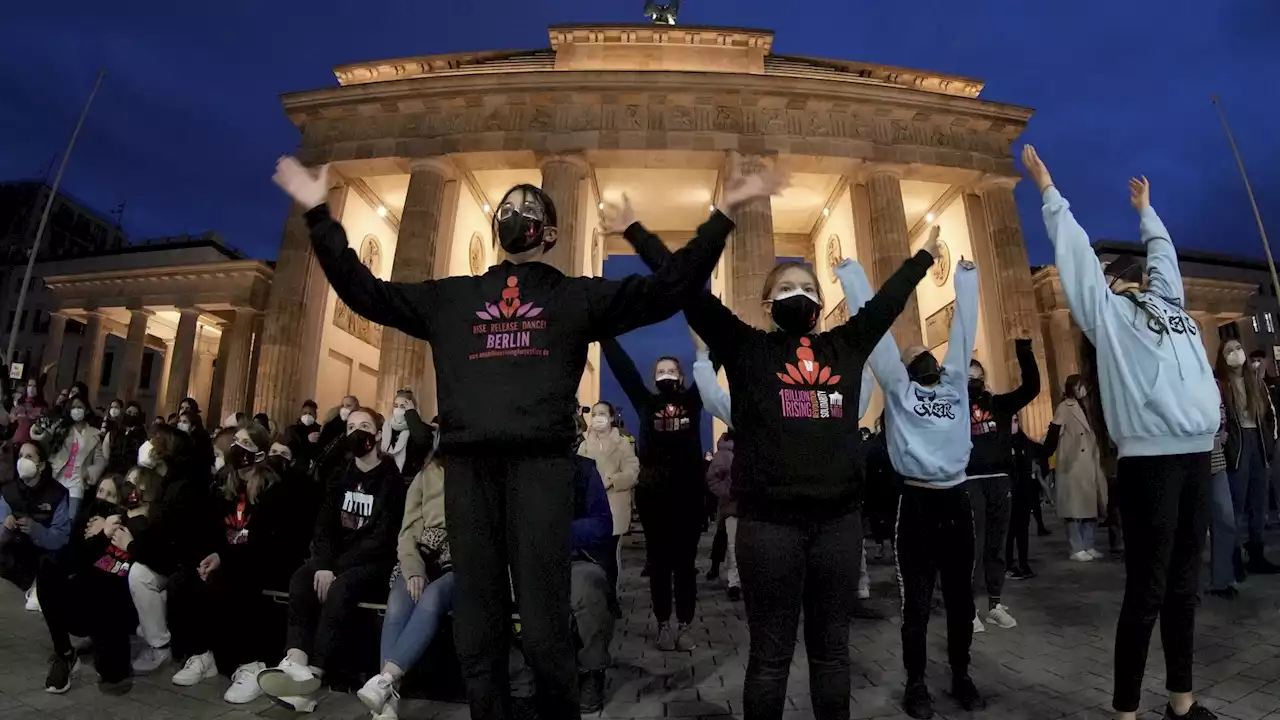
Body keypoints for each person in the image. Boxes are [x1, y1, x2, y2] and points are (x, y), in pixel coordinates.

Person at [273, 153, 779, 720]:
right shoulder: (452, 297)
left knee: (542, 631)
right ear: (498, 229)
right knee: (477, 628)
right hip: (469, 473)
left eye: (529, 208)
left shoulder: (574, 297)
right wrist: (319, 214)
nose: (517, 213)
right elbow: (366, 292)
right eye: (508, 208)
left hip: (541, 470)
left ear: (552, 232)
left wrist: (724, 215)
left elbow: (670, 286)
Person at [630, 192, 940, 719]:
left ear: (820, 305)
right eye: (786, 288)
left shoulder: (845, 345)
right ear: (767, 305)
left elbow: (888, 301)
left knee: (831, 653)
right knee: (770, 657)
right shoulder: (746, 347)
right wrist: (637, 232)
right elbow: (685, 287)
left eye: (807, 288)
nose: (799, 294)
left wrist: (925, 257)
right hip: (769, 526)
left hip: (837, 525)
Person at [1025, 146, 1220, 720]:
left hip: (1194, 456)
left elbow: (1164, 258)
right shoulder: (1108, 319)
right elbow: (1079, 259)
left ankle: (1181, 701)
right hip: (1151, 465)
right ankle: (1126, 710)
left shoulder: (1171, 305)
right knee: (1148, 592)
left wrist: (1147, 213)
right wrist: (1049, 192)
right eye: (1117, 277)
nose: (1129, 278)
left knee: (1186, 587)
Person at [835, 251, 982, 718]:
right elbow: (877, 334)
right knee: (915, 604)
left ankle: (961, 675)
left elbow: (963, 333)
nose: (919, 355)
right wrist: (851, 274)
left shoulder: (956, 383)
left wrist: (966, 278)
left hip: (957, 501)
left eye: (922, 352)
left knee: (961, 600)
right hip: (916, 504)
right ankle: (915, 684)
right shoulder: (899, 388)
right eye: (911, 354)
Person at [256, 408, 407, 713]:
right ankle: (295, 662)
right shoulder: (339, 475)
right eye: (351, 426)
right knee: (301, 578)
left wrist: (334, 570)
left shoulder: (391, 480)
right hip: (335, 560)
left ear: (377, 435)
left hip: (371, 563)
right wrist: (323, 564)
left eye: (364, 426)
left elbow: (381, 538)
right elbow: (323, 526)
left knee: (340, 589)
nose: (357, 432)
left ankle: (314, 676)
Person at [166, 422, 291, 705]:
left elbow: (268, 545)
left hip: (262, 562)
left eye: (246, 443)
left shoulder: (274, 491)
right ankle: (202, 653)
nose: (237, 448)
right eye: (235, 441)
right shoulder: (225, 487)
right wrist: (207, 556)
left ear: (260, 453)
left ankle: (250, 664)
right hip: (226, 558)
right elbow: (210, 532)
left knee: (229, 582)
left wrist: (223, 558)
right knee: (183, 580)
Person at [599, 339, 705, 651]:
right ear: (654, 378)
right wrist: (605, 336)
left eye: (672, 370)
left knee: (685, 564)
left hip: (688, 495)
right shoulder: (646, 403)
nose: (666, 374)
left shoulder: (693, 401)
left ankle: (685, 625)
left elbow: (714, 363)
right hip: (655, 496)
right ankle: (663, 624)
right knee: (659, 563)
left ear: (682, 377)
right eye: (661, 371)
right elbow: (625, 370)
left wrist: (712, 338)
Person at [509, 454, 616, 715]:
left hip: (573, 557)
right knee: (495, 593)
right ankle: (522, 683)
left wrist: (556, 532)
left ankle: (592, 670)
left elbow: (602, 523)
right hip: (522, 561)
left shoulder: (583, 469)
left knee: (588, 586)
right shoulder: (513, 469)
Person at [358, 439, 451, 720]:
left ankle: (385, 683)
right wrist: (413, 567)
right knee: (401, 598)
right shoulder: (426, 476)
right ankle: (388, 700)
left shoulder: (481, 473)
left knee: (433, 596)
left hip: (463, 561)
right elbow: (409, 530)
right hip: (423, 554)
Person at [38, 472, 150, 695]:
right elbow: (74, 564)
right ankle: (65, 655)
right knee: (47, 569)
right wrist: (98, 536)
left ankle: (102, 648)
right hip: (84, 603)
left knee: (114, 676)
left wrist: (112, 531)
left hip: (116, 611)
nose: (103, 498)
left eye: (110, 495)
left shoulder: (133, 527)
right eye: (100, 491)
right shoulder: (88, 522)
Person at [121, 424, 211, 675]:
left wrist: (130, 544)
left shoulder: (181, 488)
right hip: (169, 557)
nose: (148, 445)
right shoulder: (167, 482)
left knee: (140, 575)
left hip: (183, 562)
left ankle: (159, 646)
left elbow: (165, 545)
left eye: (154, 440)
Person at [964, 335, 1039, 632]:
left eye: (977, 376)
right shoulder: (953, 405)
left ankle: (995, 603)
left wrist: (1024, 352)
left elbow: (1031, 388)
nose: (973, 381)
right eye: (967, 377)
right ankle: (968, 608)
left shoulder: (999, 405)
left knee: (996, 545)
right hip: (969, 481)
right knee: (973, 546)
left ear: (984, 379)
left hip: (999, 480)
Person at [1216, 338, 1280, 574]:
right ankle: (1232, 556)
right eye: (1229, 350)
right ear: (1222, 357)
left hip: (1259, 444)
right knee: (1236, 504)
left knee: (1259, 502)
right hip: (1238, 446)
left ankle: (1257, 553)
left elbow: (1269, 414)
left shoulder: (1255, 383)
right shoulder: (1221, 384)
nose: (1236, 353)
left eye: (1238, 348)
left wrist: (1271, 444)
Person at [576, 400, 640, 616]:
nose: (597, 418)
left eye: (602, 414)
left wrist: (613, 479)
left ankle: (611, 599)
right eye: (594, 414)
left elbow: (633, 471)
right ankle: (595, 598)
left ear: (612, 418)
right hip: (591, 508)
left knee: (611, 556)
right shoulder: (584, 444)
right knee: (592, 555)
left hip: (614, 505)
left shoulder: (622, 443)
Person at [1043, 375, 1107, 562]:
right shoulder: (1065, 407)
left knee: (1090, 507)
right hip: (1073, 463)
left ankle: (1088, 544)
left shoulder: (1087, 407)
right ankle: (1076, 547)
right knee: (1075, 510)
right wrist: (1045, 455)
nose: (1083, 389)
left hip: (1088, 462)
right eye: (1080, 386)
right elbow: (1053, 432)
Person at [0, 441, 71, 591]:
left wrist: (36, 530)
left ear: (42, 465)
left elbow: (61, 538)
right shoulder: (8, 491)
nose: (23, 461)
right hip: (9, 562)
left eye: (29, 456)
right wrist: (5, 528)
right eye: (20, 456)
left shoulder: (57, 493)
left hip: (40, 565)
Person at [31, 394, 104, 519]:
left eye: (80, 407)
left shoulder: (95, 434)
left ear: (86, 410)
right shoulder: (61, 428)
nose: (76, 410)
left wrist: (90, 473)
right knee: (52, 516)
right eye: (73, 407)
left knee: (71, 517)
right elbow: (45, 440)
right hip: (58, 476)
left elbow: (100, 460)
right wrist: (38, 429)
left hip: (78, 481)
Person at [1206, 383, 1237, 598]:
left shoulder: (1213, 384)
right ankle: (1186, 587)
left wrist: (1222, 433)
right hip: (1190, 459)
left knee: (1226, 520)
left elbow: (1221, 414)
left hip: (1216, 461)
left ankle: (1222, 580)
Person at [382, 389, 433, 480]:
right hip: (386, 477)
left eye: (403, 406)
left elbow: (422, 442)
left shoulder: (419, 427)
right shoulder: (386, 426)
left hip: (410, 479)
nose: (398, 409)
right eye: (395, 406)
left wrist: (411, 414)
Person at [101, 401, 149, 475]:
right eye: (129, 412)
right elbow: (105, 457)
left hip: (131, 476)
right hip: (111, 474)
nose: (132, 416)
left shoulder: (142, 437)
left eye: (135, 414)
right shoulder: (111, 434)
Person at [286, 400, 323, 469]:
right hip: (297, 466)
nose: (307, 416)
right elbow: (292, 448)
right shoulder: (292, 429)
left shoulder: (320, 430)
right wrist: (308, 440)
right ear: (300, 414)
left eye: (310, 413)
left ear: (315, 416)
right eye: (305, 413)